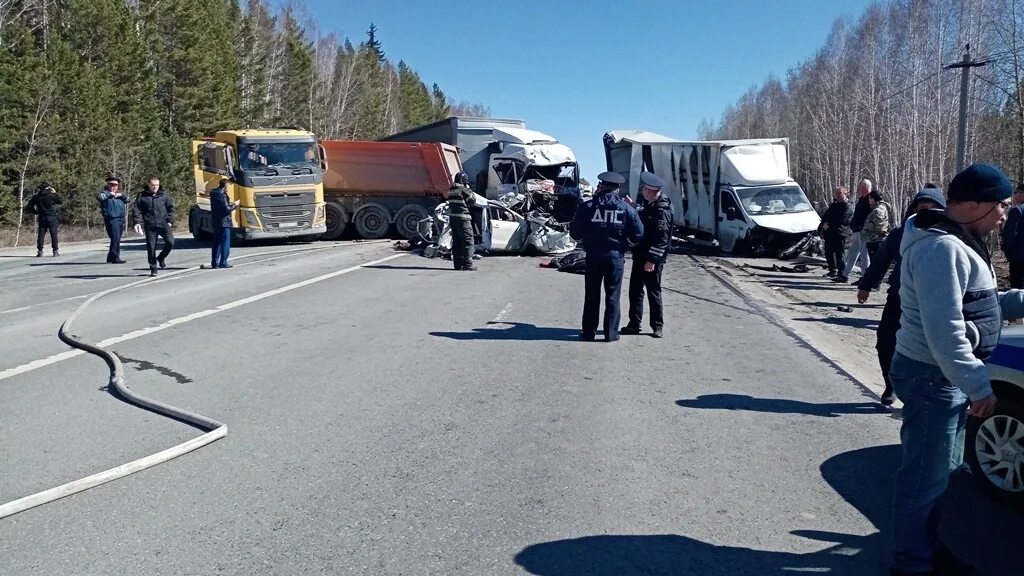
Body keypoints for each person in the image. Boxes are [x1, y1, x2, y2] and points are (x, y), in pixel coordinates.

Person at [889, 163, 1024, 576]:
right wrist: (979, 385)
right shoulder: (939, 249)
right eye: (1001, 203)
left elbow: (977, 302)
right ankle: (911, 562)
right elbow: (944, 331)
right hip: (934, 376)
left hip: (941, 376)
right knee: (924, 478)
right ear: (973, 203)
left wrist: (1017, 300)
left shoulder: (956, 240)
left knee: (941, 471)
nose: (1006, 212)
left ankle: (924, 547)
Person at [856, 185, 944, 406]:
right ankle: (891, 385)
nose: (925, 210)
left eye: (931, 206)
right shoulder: (904, 232)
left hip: (934, 304)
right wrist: (866, 284)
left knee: (931, 352)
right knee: (885, 343)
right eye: (921, 206)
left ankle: (930, 395)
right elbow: (881, 259)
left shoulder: (950, 234)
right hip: (898, 299)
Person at [569, 171, 643, 342]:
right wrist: (626, 243)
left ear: (601, 186)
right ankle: (611, 334)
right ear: (617, 188)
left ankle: (589, 332)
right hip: (615, 257)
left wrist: (587, 238)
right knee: (613, 295)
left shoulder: (588, 207)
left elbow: (575, 233)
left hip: (593, 256)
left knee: (592, 295)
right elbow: (638, 234)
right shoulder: (627, 209)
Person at [622, 171, 673, 338]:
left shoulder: (661, 210)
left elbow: (661, 239)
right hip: (640, 256)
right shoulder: (651, 205)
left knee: (653, 292)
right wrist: (633, 206)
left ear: (650, 191)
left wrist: (652, 260)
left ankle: (657, 326)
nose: (642, 191)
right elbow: (643, 213)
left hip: (652, 260)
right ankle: (634, 324)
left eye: (644, 189)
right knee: (635, 291)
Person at [132, 177, 175, 277]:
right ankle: (153, 268)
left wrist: (170, 221)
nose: (155, 187)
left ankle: (161, 257)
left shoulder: (163, 195)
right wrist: (137, 222)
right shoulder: (142, 196)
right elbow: (136, 209)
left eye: (157, 185)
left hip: (164, 224)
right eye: (153, 185)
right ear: (149, 185)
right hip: (150, 225)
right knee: (151, 248)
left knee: (170, 242)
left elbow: (171, 208)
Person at [834, 178, 873, 283]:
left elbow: (870, 216)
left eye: (860, 187)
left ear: (865, 187)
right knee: (852, 254)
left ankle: (865, 277)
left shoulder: (870, 199)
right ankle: (845, 274)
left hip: (864, 231)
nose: (859, 189)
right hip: (857, 231)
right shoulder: (861, 199)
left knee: (864, 256)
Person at [820, 186, 852, 278]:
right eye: (837, 193)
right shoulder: (834, 204)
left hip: (840, 233)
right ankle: (832, 270)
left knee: (839, 254)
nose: (837, 195)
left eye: (839, 193)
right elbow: (826, 215)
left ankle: (841, 272)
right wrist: (824, 223)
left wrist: (829, 223)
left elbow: (842, 219)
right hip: (830, 232)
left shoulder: (848, 206)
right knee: (828, 252)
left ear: (845, 194)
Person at [447, 172, 477, 271]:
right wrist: (468, 188)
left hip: (453, 219)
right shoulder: (463, 190)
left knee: (457, 241)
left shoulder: (451, 190)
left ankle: (457, 264)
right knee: (468, 240)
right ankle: (468, 264)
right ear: (463, 180)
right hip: (463, 218)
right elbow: (472, 200)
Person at [97, 175, 128, 264]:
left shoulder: (120, 194)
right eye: (111, 184)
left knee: (117, 238)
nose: (113, 187)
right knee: (115, 238)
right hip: (111, 219)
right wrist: (110, 194)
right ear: (108, 185)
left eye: (115, 185)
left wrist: (121, 195)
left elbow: (127, 199)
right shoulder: (104, 193)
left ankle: (110, 256)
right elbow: (100, 197)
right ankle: (115, 256)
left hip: (120, 219)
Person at [209, 179, 238, 269]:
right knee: (225, 242)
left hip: (216, 221)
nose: (228, 188)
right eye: (228, 186)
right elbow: (226, 209)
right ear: (225, 186)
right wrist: (235, 205)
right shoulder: (222, 195)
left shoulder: (214, 193)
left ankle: (214, 262)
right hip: (224, 222)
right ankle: (223, 262)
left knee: (216, 242)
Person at [1000, 182, 1024, 289]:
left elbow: (1010, 236)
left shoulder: (1017, 211)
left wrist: (1008, 253)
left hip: (1019, 259)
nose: (1014, 195)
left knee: (1018, 292)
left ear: (1022, 194)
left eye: (1016, 192)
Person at [27, 183, 61, 257]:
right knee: (53, 234)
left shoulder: (37, 196)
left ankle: (40, 251)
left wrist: (36, 212)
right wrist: (55, 193)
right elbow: (59, 201)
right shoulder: (51, 195)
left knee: (41, 235)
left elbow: (30, 206)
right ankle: (55, 251)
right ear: (48, 188)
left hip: (42, 217)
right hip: (52, 217)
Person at [861, 189, 893, 258]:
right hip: (873, 240)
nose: (868, 200)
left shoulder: (878, 210)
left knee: (876, 263)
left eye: (869, 198)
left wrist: (868, 228)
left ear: (873, 198)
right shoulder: (876, 208)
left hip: (876, 241)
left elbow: (880, 226)